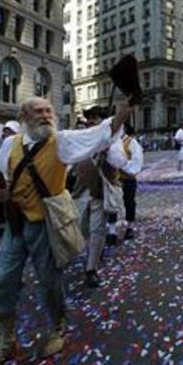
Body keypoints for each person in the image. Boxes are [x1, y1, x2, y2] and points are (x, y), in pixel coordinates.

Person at [0, 97, 133, 365]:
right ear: (25, 116)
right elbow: (0, 181)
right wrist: (0, 195)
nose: (46, 115)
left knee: (50, 280)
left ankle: (58, 326)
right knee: (4, 282)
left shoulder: (61, 141)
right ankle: (6, 341)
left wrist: (123, 112)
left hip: (45, 223)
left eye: (49, 111)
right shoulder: (9, 147)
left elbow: (98, 135)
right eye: (39, 111)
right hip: (16, 223)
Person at [71, 106, 122, 288]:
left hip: (101, 191)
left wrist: (107, 153)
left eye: (95, 118)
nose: (91, 121)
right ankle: (95, 248)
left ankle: (91, 270)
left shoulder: (113, 142)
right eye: (90, 118)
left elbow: (120, 162)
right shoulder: (82, 139)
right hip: (82, 191)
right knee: (81, 228)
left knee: (96, 229)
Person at [120, 123, 144, 240]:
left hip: (127, 179)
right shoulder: (110, 142)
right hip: (112, 179)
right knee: (111, 204)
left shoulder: (131, 143)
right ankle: (112, 229)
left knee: (129, 202)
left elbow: (136, 161)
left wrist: (121, 165)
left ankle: (130, 227)